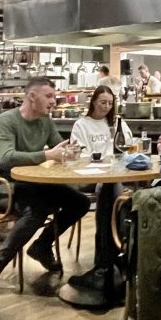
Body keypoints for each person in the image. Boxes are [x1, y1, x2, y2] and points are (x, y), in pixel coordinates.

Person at [0, 77, 90, 303]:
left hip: (30, 184)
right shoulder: (5, 121)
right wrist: (48, 155)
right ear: (31, 96)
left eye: (54, 97)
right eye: (49, 96)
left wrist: (70, 151)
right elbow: (6, 160)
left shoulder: (45, 121)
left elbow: (59, 148)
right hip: (0, 187)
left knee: (80, 202)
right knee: (37, 210)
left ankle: (42, 246)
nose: (53, 102)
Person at [66, 85, 132, 297]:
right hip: (88, 176)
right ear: (93, 101)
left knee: (114, 191)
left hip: (112, 175)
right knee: (112, 191)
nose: (106, 107)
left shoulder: (116, 123)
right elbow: (79, 154)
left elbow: (127, 145)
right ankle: (117, 252)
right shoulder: (82, 125)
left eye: (110, 103)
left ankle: (105, 262)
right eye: (102, 102)